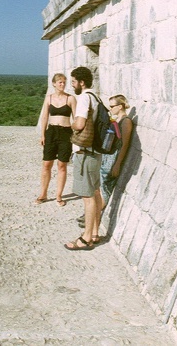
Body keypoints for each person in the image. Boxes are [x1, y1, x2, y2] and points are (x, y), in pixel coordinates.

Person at [64, 66, 101, 251]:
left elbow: (79, 123)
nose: (72, 86)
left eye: (73, 82)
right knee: (95, 192)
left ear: (81, 82)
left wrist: (70, 125)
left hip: (85, 153)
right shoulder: (96, 97)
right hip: (95, 153)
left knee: (87, 197)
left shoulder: (84, 98)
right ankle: (94, 232)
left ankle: (86, 238)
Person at [92, 94, 133, 240]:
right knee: (100, 189)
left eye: (112, 106)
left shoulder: (126, 122)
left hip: (113, 160)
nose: (110, 109)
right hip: (108, 158)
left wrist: (117, 164)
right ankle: (93, 219)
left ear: (120, 106)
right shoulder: (119, 120)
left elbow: (124, 145)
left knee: (104, 192)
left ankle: (93, 220)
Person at [35, 73, 76, 207]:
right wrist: (43, 135)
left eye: (64, 82)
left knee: (62, 165)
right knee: (47, 164)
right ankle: (43, 193)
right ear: (54, 83)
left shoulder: (70, 99)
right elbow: (44, 117)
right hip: (51, 132)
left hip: (65, 133)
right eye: (59, 82)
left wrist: (76, 136)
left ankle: (59, 195)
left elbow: (76, 119)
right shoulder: (49, 98)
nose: (62, 84)